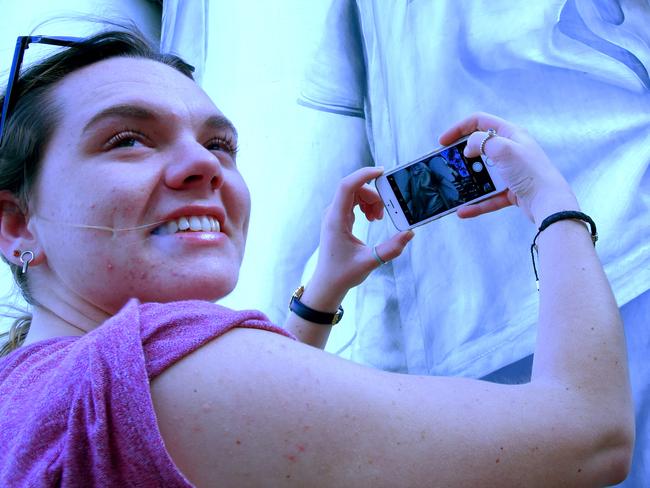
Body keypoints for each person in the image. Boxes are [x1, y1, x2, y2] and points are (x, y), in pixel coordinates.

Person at [0, 28, 635, 486]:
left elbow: (237, 425)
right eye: (128, 139)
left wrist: (321, 292)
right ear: (15, 222)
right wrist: (554, 206)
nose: (204, 166)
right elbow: (589, 435)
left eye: (219, 144)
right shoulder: (155, 360)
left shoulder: (27, 390)